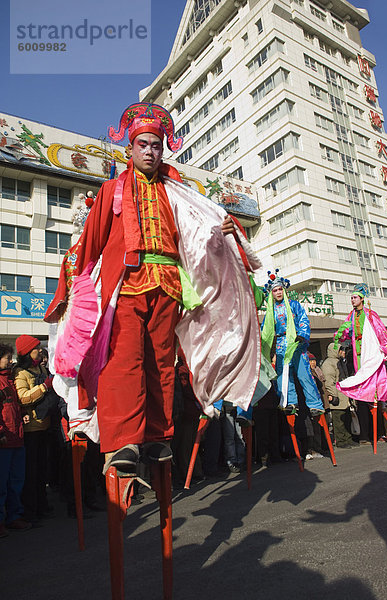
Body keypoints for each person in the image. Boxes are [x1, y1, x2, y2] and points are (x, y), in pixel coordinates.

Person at [45, 103, 262, 476]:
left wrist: (225, 235)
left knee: (162, 364)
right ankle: (123, 441)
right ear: (130, 150)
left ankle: (158, 436)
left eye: (156, 145)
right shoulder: (112, 189)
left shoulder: (179, 195)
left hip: (168, 287)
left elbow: (199, 238)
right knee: (123, 361)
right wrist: (67, 291)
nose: (149, 151)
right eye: (143, 144)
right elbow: (87, 246)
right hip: (125, 286)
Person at [261, 271, 324, 416]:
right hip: (281, 344)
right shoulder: (270, 311)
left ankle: (315, 404)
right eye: (275, 290)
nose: (278, 292)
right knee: (284, 375)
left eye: (280, 289)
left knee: (303, 375)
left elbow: (303, 320)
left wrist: (302, 335)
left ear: (284, 290)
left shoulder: (294, 305)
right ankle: (290, 402)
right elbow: (265, 329)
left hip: (296, 343)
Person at [334, 283, 387, 417]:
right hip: (358, 353)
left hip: (370, 350)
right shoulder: (351, 316)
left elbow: (381, 332)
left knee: (374, 380)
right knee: (362, 380)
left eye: (355, 297)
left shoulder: (370, 314)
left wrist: (386, 348)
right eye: (351, 298)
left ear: (362, 299)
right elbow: (345, 332)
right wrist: (340, 334)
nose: (352, 300)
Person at [14, 335, 53, 522]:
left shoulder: (41, 368)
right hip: (31, 430)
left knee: (42, 470)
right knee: (31, 472)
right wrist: (44, 387)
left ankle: (42, 505)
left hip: (45, 425)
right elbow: (23, 397)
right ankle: (31, 510)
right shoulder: (20, 373)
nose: (40, 350)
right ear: (28, 352)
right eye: (36, 348)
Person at [0, 343, 32, 536]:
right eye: (6, 357)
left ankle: (14, 516)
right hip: (4, 441)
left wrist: (24, 414)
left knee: (15, 481)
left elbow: (14, 407)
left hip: (17, 438)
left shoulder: (10, 380)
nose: (10, 360)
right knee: (1, 484)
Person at [321, 343, 356, 448]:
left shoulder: (340, 362)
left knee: (347, 419)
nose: (343, 352)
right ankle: (341, 441)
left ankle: (348, 438)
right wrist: (333, 395)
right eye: (341, 350)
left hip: (344, 394)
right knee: (338, 420)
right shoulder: (328, 363)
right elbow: (329, 380)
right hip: (337, 395)